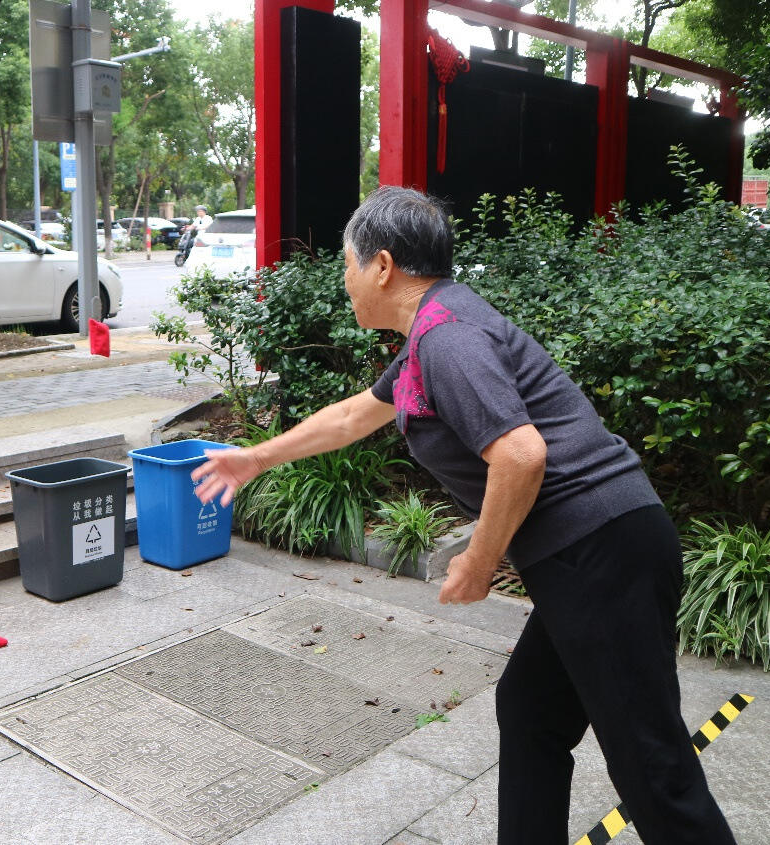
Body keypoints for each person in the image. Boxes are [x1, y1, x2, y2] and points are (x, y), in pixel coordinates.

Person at [190, 186, 736, 845]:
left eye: (346, 265)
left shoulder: (446, 338)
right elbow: (352, 416)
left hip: (601, 551)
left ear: (382, 265)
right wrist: (255, 458)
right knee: (531, 710)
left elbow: (520, 453)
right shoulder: (430, 334)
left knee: (650, 763)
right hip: (593, 550)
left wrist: (478, 560)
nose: (344, 281)